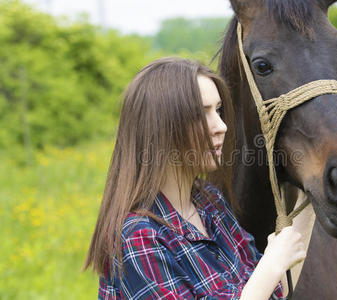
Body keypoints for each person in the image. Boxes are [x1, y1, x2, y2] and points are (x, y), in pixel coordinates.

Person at [84, 57, 306, 299]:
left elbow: (270, 291)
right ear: (161, 128)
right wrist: (271, 265)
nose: (221, 126)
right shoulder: (138, 237)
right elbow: (263, 280)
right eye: (202, 114)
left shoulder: (209, 201)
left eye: (218, 110)